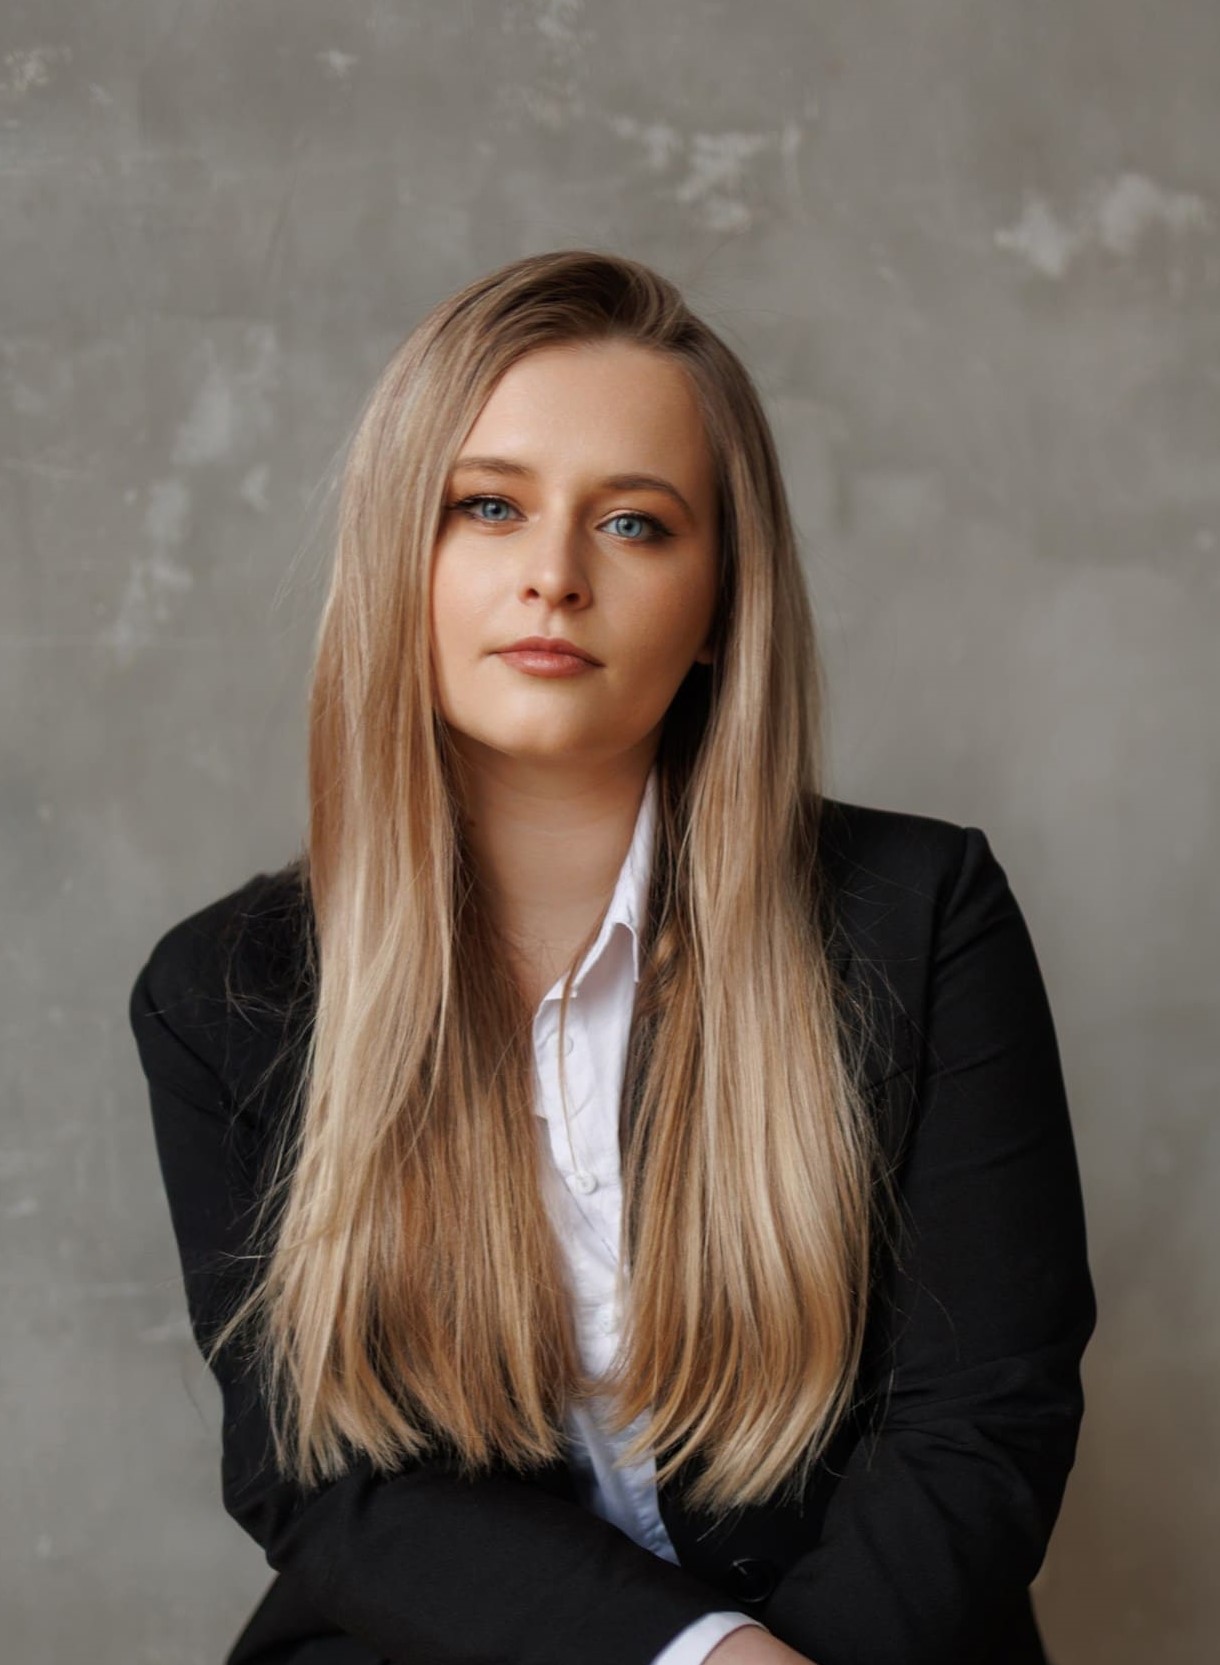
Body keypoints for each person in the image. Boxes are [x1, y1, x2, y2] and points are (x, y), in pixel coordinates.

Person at [127, 250, 1097, 1665]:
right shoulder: (227, 992)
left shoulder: (921, 914)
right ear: (401, 557)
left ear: (719, 606)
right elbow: (329, 1480)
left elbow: (983, 1423)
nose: (553, 576)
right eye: (488, 506)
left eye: (635, 523)